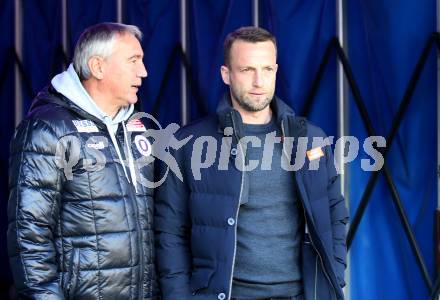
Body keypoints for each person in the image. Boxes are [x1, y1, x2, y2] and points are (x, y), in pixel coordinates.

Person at [155, 27, 349, 300]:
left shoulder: (310, 138)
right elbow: (169, 231)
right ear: (226, 74)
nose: (259, 81)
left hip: (300, 294)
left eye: (267, 69)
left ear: (276, 71)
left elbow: (335, 213)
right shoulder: (187, 143)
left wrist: (334, 273)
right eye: (247, 70)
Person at [8, 22, 159, 299]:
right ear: (98, 67)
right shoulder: (49, 129)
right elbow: (29, 233)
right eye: (133, 61)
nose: (144, 71)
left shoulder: (141, 127)